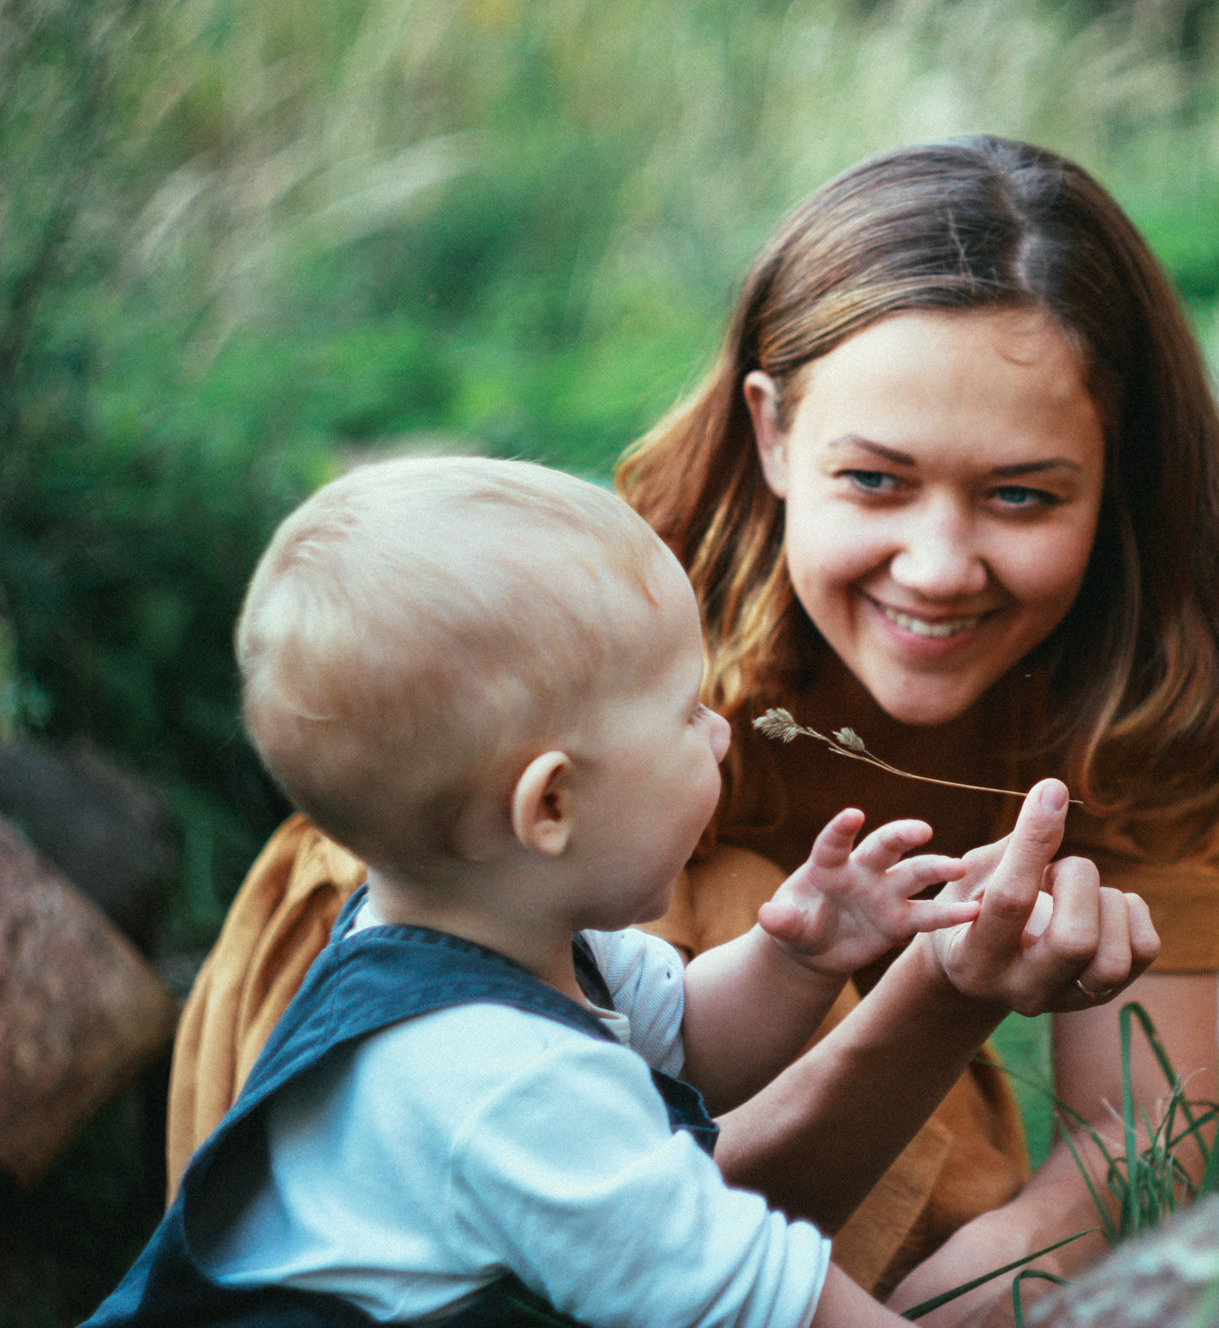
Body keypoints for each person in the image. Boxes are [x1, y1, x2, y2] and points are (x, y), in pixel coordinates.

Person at [169, 135, 1219, 1326]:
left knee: (863, 1034)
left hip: (717, 1076)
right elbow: (635, 1220)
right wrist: (942, 994)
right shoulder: (623, 636)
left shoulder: (1148, 693)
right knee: (747, 893)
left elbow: (1142, 1124)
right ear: (772, 433)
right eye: (874, 480)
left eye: (1020, 493)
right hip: (477, 1022)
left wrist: (1017, 1268)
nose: (938, 565)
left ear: (1113, 478)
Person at [98, 456, 1147, 1328]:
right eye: (684, 712)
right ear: (548, 806)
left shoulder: (479, 942)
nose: (721, 730)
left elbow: (685, 1033)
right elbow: (763, 1295)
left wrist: (796, 955)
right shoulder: (497, 1085)